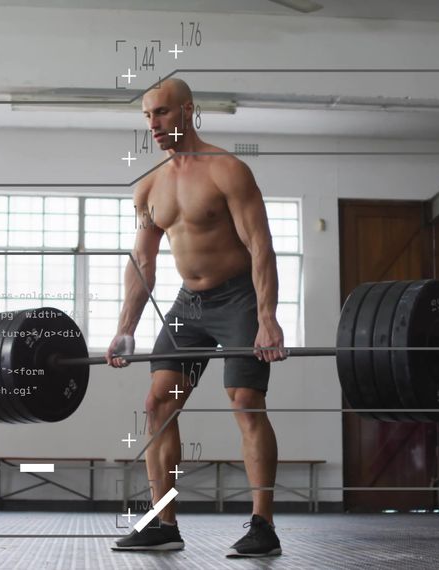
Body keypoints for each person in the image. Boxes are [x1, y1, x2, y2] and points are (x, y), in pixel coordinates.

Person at [107, 78, 285, 558]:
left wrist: (267, 317)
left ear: (187, 110)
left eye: (162, 113)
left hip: (239, 299)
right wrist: (126, 328)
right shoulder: (149, 186)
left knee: (245, 399)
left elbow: (260, 244)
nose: (154, 125)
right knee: (157, 404)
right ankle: (164, 523)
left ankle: (263, 526)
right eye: (147, 117)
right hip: (189, 305)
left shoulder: (227, 170)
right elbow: (143, 262)